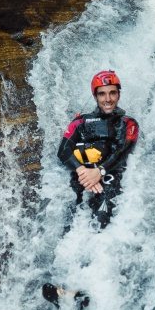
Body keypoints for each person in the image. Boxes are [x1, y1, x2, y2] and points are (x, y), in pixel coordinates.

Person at [57, 70, 139, 229]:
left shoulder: (129, 123)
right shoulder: (80, 121)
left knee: (101, 226)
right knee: (68, 229)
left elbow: (123, 152)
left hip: (110, 178)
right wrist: (84, 172)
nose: (108, 99)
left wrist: (99, 172)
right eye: (102, 94)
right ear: (95, 96)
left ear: (119, 95)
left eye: (112, 93)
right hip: (82, 178)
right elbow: (63, 151)